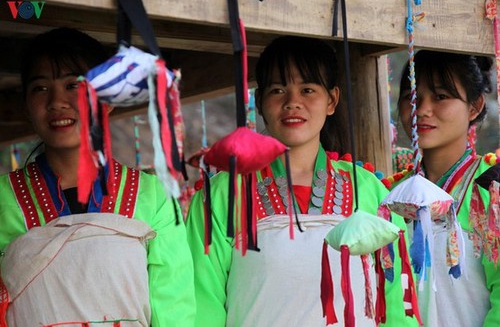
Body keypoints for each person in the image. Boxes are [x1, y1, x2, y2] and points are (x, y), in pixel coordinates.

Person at [186, 35, 418, 327]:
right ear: (259, 102)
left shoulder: (368, 188)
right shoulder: (223, 194)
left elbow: (396, 295)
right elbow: (201, 303)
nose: (292, 102)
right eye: (278, 90)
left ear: (331, 100)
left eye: (307, 89)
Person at [0, 27, 195, 326]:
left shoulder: (153, 197)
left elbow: (175, 311)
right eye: (40, 88)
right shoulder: (3, 199)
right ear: (26, 103)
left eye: (74, 86)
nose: (56, 102)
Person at [393, 50, 499, 326]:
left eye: (440, 96)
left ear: (474, 106)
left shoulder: (492, 191)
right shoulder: (390, 195)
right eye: (411, 96)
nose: (422, 109)